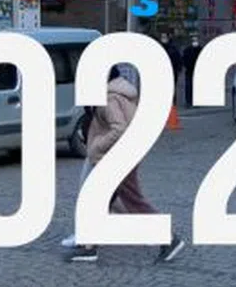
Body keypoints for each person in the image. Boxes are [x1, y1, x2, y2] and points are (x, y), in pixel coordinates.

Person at [67, 63, 185, 263]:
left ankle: (169, 239)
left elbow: (119, 128)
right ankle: (89, 246)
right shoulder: (119, 92)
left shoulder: (110, 98)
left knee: (132, 201)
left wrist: (97, 146)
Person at [179, 36, 202, 108]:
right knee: (189, 86)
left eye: (196, 41)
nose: (195, 42)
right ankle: (189, 102)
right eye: (193, 41)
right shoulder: (187, 50)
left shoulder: (200, 49)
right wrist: (186, 66)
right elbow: (183, 59)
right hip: (189, 70)